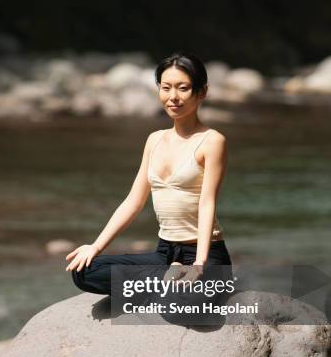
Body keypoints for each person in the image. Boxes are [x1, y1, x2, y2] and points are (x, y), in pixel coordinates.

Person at [66, 52, 233, 318]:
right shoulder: (154, 140)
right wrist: (95, 247)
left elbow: (207, 203)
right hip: (164, 254)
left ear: (202, 92)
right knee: (83, 271)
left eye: (183, 88)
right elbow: (134, 201)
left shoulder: (212, 141)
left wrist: (199, 264)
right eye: (165, 88)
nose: (173, 97)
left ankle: (173, 284)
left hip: (205, 253)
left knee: (178, 307)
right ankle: (166, 279)